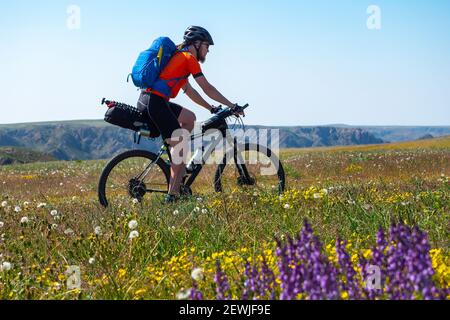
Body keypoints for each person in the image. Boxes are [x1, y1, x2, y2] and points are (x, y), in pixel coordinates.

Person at [137, 26, 238, 203]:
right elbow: (207, 87)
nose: (208, 50)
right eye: (207, 46)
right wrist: (232, 105)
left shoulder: (179, 58)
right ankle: (173, 196)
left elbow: (190, 91)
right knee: (181, 147)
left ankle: (175, 163)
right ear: (197, 44)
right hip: (156, 103)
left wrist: (211, 108)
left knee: (189, 118)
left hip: (149, 99)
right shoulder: (189, 59)